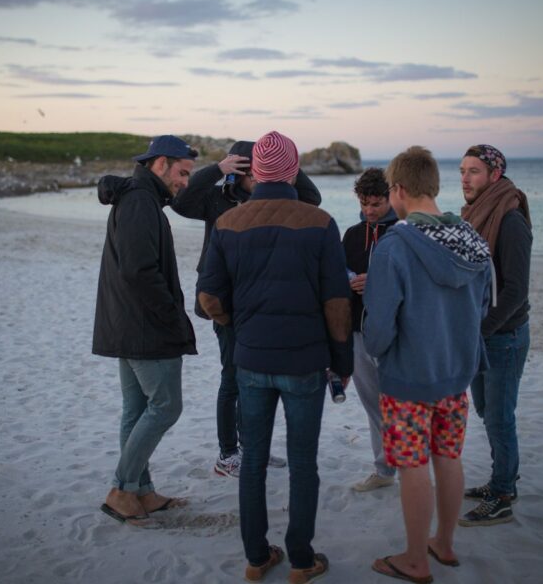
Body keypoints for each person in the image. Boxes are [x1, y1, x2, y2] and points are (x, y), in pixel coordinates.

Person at [198, 131, 352, 583]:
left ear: (257, 172)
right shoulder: (320, 222)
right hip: (305, 362)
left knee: (253, 461)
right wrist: (341, 360)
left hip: (251, 360)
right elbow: (337, 303)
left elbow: (209, 297)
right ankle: (301, 560)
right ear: (292, 170)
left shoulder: (228, 224)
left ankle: (255, 557)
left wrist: (239, 327)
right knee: (303, 463)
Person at [363, 146, 492, 582]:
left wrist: (377, 352)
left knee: (413, 464)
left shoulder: (394, 245)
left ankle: (416, 558)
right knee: (448, 456)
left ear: (398, 190)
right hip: (458, 372)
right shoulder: (473, 240)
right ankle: (445, 543)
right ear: (433, 186)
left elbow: (379, 326)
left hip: (408, 378)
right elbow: (484, 308)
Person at [171, 140, 322, 478]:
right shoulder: (215, 200)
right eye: (249, 170)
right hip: (224, 303)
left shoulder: (273, 200)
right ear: (236, 172)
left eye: (260, 169)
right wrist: (216, 168)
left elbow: (313, 199)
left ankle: (253, 448)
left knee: (257, 381)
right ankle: (227, 454)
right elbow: (179, 201)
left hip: (261, 302)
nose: (257, 176)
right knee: (232, 378)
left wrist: (286, 163)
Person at [93, 134, 199, 526]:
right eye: (182, 173)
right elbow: (139, 270)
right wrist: (172, 315)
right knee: (167, 406)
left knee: (137, 410)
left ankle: (141, 491)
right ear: (160, 164)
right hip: (144, 327)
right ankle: (122, 488)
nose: (185, 182)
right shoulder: (139, 200)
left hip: (127, 323)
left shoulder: (139, 196)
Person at [458, 144, 532, 527]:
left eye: (474, 171)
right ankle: (500, 479)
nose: (465, 179)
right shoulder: (473, 215)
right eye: (462, 171)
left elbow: (517, 289)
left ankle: (504, 493)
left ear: (494, 175)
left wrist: (481, 330)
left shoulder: (510, 219)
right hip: (481, 334)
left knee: (500, 417)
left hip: (503, 336)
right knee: (488, 413)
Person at [341, 167, 399, 492]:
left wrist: (376, 283)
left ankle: (412, 465)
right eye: (365, 203)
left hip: (395, 334)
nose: (370, 210)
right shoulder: (351, 234)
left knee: (398, 403)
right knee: (372, 403)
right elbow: (335, 275)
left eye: (376, 203)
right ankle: (384, 469)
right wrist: (350, 280)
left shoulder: (402, 232)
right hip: (358, 331)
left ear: (390, 197)